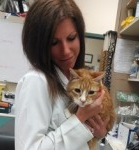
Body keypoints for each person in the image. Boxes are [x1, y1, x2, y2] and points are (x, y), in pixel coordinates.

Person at [15, 0, 109, 150]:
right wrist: (80, 119)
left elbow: (83, 137)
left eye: (71, 38)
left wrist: (99, 133)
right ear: (39, 44)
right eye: (54, 42)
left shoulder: (74, 77)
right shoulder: (36, 81)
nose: (65, 50)